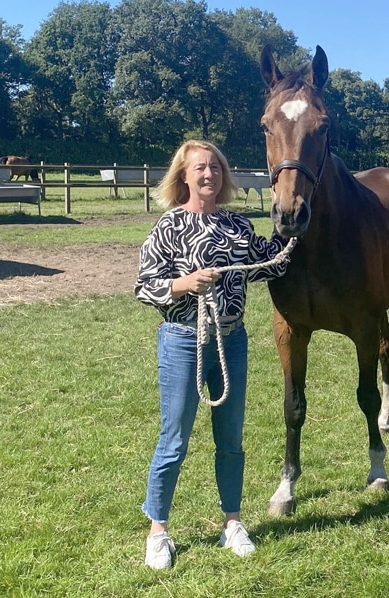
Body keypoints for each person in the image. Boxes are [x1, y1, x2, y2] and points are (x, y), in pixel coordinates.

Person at [134, 140, 291, 569]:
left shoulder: (238, 227)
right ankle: (158, 531)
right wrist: (184, 284)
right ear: (184, 176)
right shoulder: (168, 227)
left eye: (216, 168)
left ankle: (232, 523)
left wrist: (292, 225)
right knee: (174, 439)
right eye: (201, 168)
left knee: (231, 439)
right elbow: (144, 286)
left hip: (231, 340)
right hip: (183, 339)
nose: (210, 175)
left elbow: (271, 263)